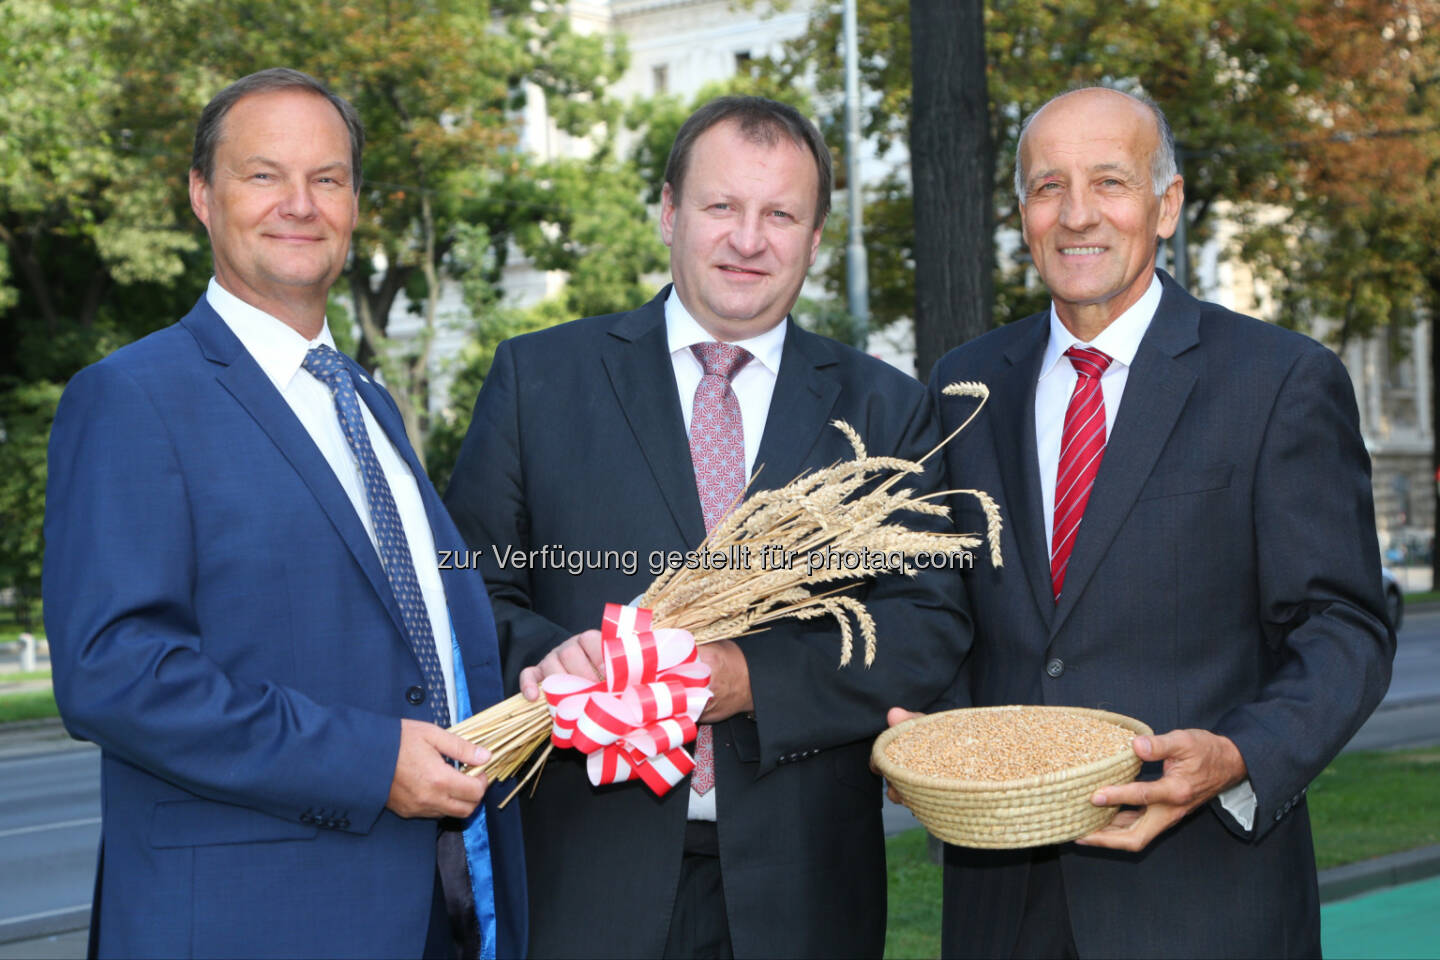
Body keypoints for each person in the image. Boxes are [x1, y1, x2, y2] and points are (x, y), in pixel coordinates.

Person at [443, 96, 969, 958]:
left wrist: (750, 678)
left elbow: (926, 625)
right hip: (586, 876)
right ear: (668, 211)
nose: (748, 238)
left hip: (804, 890)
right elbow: (470, 593)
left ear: (815, 235)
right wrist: (549, 655)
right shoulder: (538, 379)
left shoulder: (887, 411)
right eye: (723, 206)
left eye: (780, 214)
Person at [43, 68, 525, 959]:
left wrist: (553, 673)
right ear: (201, 195)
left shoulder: (370, 405)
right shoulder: (131, 397)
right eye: (263, 175)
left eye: (328, 179)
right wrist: (370, 762)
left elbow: (422, 644)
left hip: (435, 912)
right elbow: (115, 672)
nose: (299, 204)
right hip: (250, 924)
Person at [912, 86, 1395, 958]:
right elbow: (943, 605)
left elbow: (1345, 625)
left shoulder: (1278, 380)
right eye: (1048, 187)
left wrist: (1238, 755)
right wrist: (932, 731)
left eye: (1110, 182)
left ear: (1165, 204)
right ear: (1020, 212)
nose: (1077, 215)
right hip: (1002, 905)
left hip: (1205, 897)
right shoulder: (963, 384)